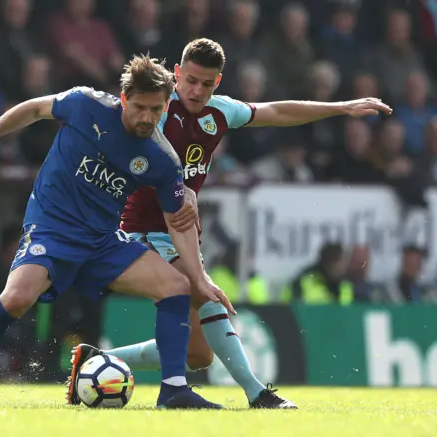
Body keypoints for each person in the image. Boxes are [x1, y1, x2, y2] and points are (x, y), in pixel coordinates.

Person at [67, 38, 392, 409]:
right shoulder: (157, 108)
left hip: (181, 233)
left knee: (198, 355)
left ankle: (95, 362)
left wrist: (341, 108)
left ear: (217, 82)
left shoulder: (220, 112)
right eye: (190, 80)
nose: (196, 90)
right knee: (205, 296)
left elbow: (280, 112)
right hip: (141, 230)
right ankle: (258, 393)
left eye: (206, 84)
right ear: (176, 75)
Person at [0, 54, 227, 409]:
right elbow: (33, 109)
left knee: (176, 286)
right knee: (16, 298)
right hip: (53, 229)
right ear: (123, 98)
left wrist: (199, 278)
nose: (147, 117)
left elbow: (177, 221)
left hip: (103, 241)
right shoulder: (84, 104)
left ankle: (173, 390)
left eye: (156, 110)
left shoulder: (162, 158)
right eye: (140, 107)